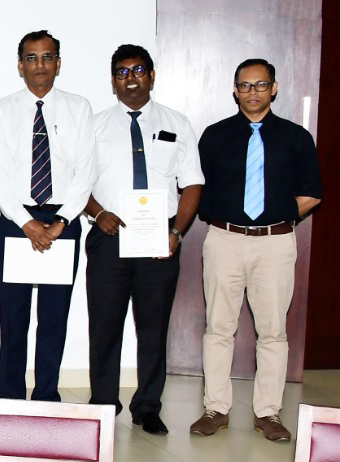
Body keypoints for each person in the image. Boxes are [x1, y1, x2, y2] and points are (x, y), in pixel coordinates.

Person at [190, 58, 323, 442]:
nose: (253, 92)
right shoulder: (214, 136)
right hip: (224, 240)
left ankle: (268, 413)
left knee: (273, 332)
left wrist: (276, 216)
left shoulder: (297, 137)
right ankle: (215, 408)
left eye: (261, 84)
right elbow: (197, 188)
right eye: (245, 85)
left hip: (276, 244)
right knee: (218, 328)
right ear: (235, 90)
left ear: (274, 88)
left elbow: (312, 193)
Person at [82, 45, 203, 436]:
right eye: (122, 72)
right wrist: (97, 212)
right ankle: (103, 402)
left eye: (138, 70)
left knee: (153, 327)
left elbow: (192, 183)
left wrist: (176, 232)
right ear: (113, 80)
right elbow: (76, 182)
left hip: (159, 238)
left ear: (152, 75)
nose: (130, 78)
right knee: (104, 326)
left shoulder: (177, 123)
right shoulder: (94, 126)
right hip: (109, 235)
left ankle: (148, 407)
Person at [0, 30, 93, 402]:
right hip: (17, 222)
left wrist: (61, 222)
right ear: (20, 65)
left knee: (54, 317)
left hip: (65, 221)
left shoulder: (79, 108)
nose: (40, 65)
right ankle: (11, 398)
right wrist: (26, 222)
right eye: (31, 58)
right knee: (13, 318)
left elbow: (86, 172)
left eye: (47, 57)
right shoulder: (2, 110)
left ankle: (47, 396)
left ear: (58, 63)